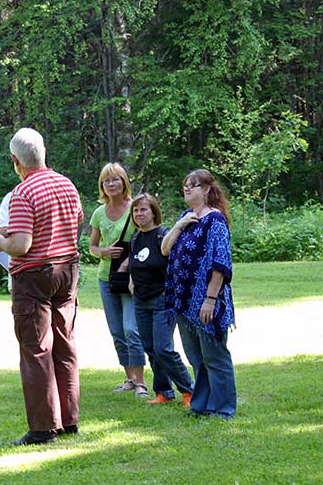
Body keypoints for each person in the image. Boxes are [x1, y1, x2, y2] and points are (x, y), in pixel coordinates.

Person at [0, 128, 83, 445]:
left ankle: (43, 429)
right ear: (43, 153)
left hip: (34, 276)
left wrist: (0, 241)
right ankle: (69, 421)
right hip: (68, 269)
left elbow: (21, 244)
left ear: (15, 161)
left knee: (36, 349)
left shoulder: (23, 193)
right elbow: (76, 221)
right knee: (64, 345)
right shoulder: (66, 184)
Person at [161, 169, 237, 419]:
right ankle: (202, 404)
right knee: (196, 357)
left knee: (214, 355)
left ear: (206, 189)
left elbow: (220, 262)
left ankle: (223, 407)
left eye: (194, 185)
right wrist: (179, 225)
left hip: (205, 300)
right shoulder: (186, 217)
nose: (188, 188)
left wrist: (210, 299)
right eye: (185, 185)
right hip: (183, 300)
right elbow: (165, 250)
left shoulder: (215, 220)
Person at [128, 193, 193, 407]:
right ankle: (164, 392)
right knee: (150, 347)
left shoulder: (163, 235)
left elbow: (176, 264)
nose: (139, 214)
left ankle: (189, 391)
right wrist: (131, 281)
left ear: (154, 212)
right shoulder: (136, 238)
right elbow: (136, 263)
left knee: (163, 348)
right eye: (136, 210)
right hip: (141, 300)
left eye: (144, 209)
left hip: (161, 301)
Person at [88, 163, 147, 397]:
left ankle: (141, 382)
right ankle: (129, 378)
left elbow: (146, 241)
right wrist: (103, 252)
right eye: (106, 181)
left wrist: (129, 263)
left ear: (124, 182)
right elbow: (91, 246)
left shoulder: (135, 208)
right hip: (107, 279)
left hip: (132, 279)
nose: (111, 184)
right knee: (117, 331)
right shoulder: (99, 213)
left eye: (115, 180)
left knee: (132, 329)